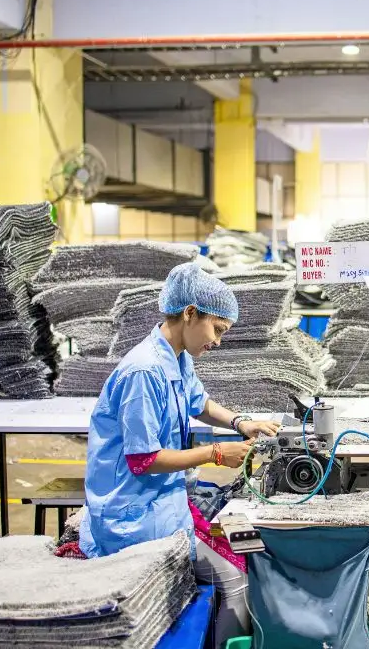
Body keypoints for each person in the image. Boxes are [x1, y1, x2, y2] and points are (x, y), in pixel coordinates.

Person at [78, 262, 280, 647]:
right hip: (132, 516)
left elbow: (197, 401)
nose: (218, 342)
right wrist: (215, 453)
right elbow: (145, 460)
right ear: (190, 313)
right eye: (217, 330)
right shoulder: (144, 371)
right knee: (235, 580)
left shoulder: (175, 357)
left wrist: (241, 423)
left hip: (160, 501)